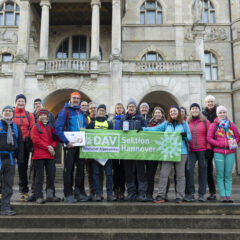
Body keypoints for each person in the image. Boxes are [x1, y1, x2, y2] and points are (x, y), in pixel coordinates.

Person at [141, 105, 192, 203]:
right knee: (164, 174)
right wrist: (143, 129)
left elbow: (189, 137)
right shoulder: (166, 124)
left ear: (178, 113)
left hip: (181, 152)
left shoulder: (184, 123)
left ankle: (180, 196)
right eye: (171, 111)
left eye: (175, 111)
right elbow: (155, 129)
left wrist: (184, 136)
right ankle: (161, 195)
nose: (173, 113)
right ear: (169, 113)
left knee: (180, 175)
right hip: (168, 151)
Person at [55, 91, 87, 203]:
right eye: (74, 98)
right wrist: (66, 141)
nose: (76, 100)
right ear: (70, 99)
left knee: (80, 170)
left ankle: (78, 192)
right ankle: (68, 193)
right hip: (69, 146)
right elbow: (58, 128)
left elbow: (84, 127)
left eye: (78, 98)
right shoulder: (64, 111)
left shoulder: (80, 112)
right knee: (68, 170)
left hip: (80, 145)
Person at [207, 106, 239, 202]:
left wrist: (232, 143)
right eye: (220, 112)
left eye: (224, 112)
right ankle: (223, 195)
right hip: (218, 152)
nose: (222, 114)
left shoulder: (231, 125)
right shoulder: (214, 125)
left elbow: (237, 136)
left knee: (228, 175)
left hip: (230, 152)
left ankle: (228, 195)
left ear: (226, 113)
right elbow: (209, 138)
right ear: (217, 114)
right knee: (220, 175)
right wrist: (220, 144)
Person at [119, 99, 148, 202]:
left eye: (133, 106)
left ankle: (142, 192)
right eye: (129, 106)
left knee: (141, 172)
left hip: (139, 150)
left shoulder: (141, 119)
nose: (131, 108)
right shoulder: (123, 119)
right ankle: (131, 192)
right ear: (127, 108)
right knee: (128, 172)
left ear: (136, 108)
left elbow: (146, 132)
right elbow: (119, 133)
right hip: (127, 151)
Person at [87, 104, 117, 202]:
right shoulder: (92, 123)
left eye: (103, 110)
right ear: (97, 111)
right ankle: (98, 193)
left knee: (108, 174)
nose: (101, 112)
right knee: (96, 173)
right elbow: (88, 136)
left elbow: (113, 137)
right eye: (100, 110)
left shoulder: (109, 124)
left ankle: (109, 194)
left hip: (107, 154)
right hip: (95, 154)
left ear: (105, 112)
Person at [30, 108, 60, 204]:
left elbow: (55, 139)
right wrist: (48, 147)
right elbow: (35, 140)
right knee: (39, 177)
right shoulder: (35, 127)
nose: (43, 116)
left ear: (47, 116)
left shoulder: (50, 127)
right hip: (39, 156)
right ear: (38, 116)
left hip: (50, 156)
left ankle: (50, 195)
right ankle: (38, 195)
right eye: (41, 115)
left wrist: (53, 146)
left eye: (45, 115)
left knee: (51, 175)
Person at [184, 103, 210, 202]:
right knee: (189, 171)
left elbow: (209, 135)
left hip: (203, 150)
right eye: (193, 108)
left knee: (202, 172)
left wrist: (208, 148)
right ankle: (190, 193)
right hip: (191, 151)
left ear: (199, 110)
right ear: (190, 111)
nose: (194, 110)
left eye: (196, 108)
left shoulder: (205, 122)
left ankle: (201, 194)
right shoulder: (187, 122)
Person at [0, 105, 23, 215]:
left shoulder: (16, 127)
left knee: (8, 184)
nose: (8, 112)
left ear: (12, 113)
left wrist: (20, 158)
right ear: (2, 113)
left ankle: (5, 207)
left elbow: (20, 143)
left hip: (10, 159)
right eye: (6, 111)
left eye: (10, 111)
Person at [13, 94, 35, 201]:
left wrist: (28, 138)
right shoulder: (11, 113)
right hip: (12, 143)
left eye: (23, 101)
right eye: (19, 101)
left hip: (25, 143)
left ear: (25, 103)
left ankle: (24, 190)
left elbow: (32, 128)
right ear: (16, 102)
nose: (21, 103)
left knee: (23, 167)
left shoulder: (29, 114)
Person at [146, 106, 165, 201]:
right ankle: (149, 193)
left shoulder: (166, 124)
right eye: (156, 113)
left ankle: (163, 194)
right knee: (150, 174)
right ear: (153, 114)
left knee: (164, 173)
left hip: (163, 151)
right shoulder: (149, 124)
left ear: (162, 114)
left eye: (159, 113)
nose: (157, 114)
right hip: (152, 151)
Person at [85, 102, 104, 199]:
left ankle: (99, 191)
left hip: (101, 150)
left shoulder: (102, 121)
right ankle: (92, 191)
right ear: (89, 110)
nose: (93, 109)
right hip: (89, 150)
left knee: (100, 171)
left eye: (95, 108)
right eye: (91, 108)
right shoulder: (87, 120)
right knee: (90, 172)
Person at [202, 95, 217, 200]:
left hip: (219, 144)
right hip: (208, 145)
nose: (210, 103)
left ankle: (225, 193)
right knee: (208, 170)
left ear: (214, 103)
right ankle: (212, 192)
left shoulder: (219, 112)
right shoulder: (203, 114)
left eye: (211, 102)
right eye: (208, 102)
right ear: (206, 103)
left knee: (221, 171)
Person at [110, 103, 126, 200]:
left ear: (123, 109)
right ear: (115, 110)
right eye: (117, 108)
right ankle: (115, 189)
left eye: (120, 108)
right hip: (115, 148)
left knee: (123, 170)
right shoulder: (112, 121)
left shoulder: (126, 119)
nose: (119, 109)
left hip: (124, 147)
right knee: (115, 170)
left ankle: (122, 191)